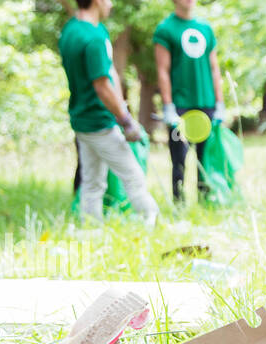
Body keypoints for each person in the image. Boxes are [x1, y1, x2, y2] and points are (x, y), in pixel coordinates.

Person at [59, 0, 159, 226]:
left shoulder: (71, 30)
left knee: (92, 182)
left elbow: (109, 71)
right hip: (99, 122)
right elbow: (102, 85)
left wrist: (121, 107)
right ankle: (152, 220)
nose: (111, 4)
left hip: (81, 120)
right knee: (132, 175)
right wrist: (125, 121)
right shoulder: (93, 38)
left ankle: (90, 229)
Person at [154, 0, 224, 204]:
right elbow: (162, 70)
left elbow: (214, 68)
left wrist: (219, 103)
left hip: (206, 104)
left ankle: (205, 201)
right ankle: (179, 202)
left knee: (206, 159)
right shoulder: (165, 29)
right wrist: (168, 106)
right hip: (180, 105)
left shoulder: (205, 28)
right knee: (179, 161)